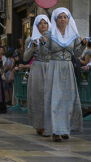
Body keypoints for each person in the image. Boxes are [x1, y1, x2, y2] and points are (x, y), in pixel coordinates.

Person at [41, 8, 87, 142]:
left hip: (68, 67)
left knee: (67, 100)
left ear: (68, 19)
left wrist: (83, 45)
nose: (62, 19)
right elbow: (44, 53)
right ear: (55, 19)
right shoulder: (49, 34)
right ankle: (56, 130)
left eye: (65, 17)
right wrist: (43, 44)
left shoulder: (74, 35)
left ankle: (65, 128)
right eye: (60, 17)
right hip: (54, 67)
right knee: (56, 99)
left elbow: (77, 54)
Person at [23, 14, 51, 137]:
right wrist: (33, 46)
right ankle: (40, 125)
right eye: (40, 23)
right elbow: (25, 57)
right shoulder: (30, 40)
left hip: (50, 68)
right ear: (36, 26)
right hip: (37, 69)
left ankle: (49, 125)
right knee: (38, 98)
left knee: (49, 98)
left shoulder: (54, 39)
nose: (43, 25)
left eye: (45, 23)